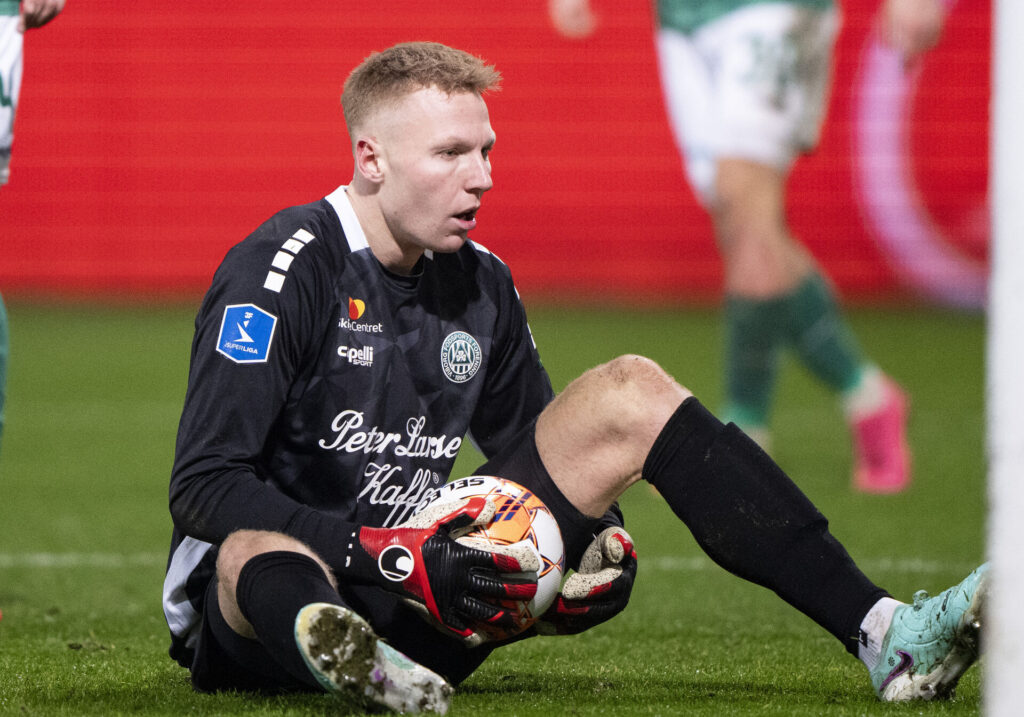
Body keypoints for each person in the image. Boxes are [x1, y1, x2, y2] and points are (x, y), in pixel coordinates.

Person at [162, 41, 985, 714]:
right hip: (262, 615)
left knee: (628, 388)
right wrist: (375, 550)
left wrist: (595, 550)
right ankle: (354, 662)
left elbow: (540, 453)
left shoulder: (481, 280)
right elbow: (202, 482)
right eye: (450, 153)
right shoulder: (283, 267)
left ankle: (886, 630)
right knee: (249, 547)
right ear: (370, 158)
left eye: (485, 150)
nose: (481, 177)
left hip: (429, 589)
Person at [549, 0, 949, 494]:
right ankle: (869, 397)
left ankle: (742, 441)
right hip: (682, 20)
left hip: (771, 12)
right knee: (745, 229)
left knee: (747, 213)